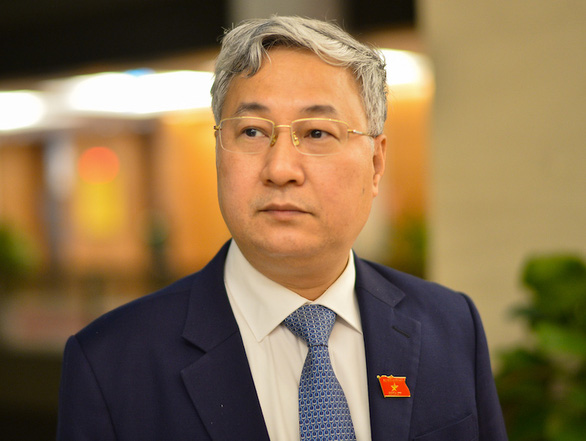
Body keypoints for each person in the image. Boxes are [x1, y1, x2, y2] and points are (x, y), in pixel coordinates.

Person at [57, 16, 508, 441]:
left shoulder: (451, 326)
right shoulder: (112, 363)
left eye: (317, 133)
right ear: (219, 152)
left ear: (375, 163)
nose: (280, 169)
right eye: (252, 132)